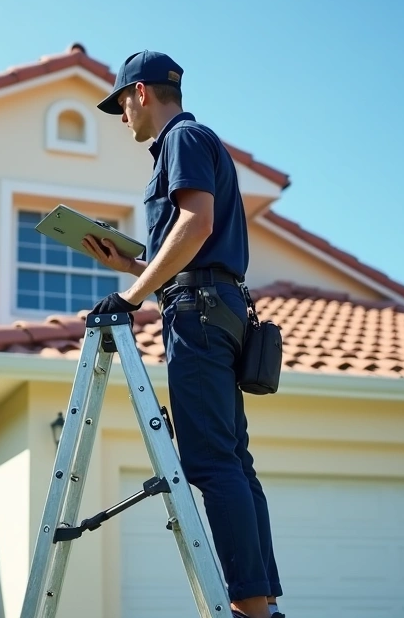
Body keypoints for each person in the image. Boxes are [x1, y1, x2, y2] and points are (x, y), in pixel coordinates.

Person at [82, 50, 284, 618]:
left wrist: (132, 295)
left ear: (141, 93)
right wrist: (133, 266)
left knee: (210, 463)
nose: (122, 116)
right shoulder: (194, 143)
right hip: (214, 303)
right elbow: (192, 240)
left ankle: (247, 606)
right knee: (232, 462)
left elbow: (197, 224)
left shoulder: (182, 139)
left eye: (121, 103)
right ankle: (260, 604)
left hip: (195, 309)